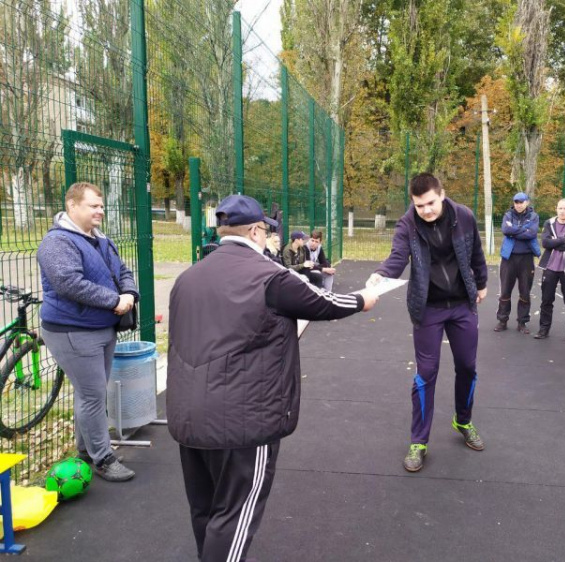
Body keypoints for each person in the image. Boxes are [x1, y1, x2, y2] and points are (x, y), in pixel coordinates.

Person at [167, 194, 378, 561]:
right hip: (244, 419)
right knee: (236, 514)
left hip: (189, 414)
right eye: (266, 231)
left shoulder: (188, 278)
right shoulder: (269, 276)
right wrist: (365, 297)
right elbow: (324, 303)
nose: (269, 239)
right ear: (254, 232)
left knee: (206, 509)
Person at [366, 173, 488, 473]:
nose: (426, 210)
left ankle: (463, 419)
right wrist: (381, 274)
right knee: (426, 373)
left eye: (431, 203)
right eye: (419, 205)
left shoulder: (464, 216)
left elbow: (476, 253)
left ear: (442, 195)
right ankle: (418, 441)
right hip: (428, 308)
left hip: (461, 305)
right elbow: (398, 257)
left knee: (468, 367)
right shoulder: (408, 223)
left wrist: (482, 283)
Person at [37, 182, 138, 482]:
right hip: (72, 330)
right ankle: (103, 458)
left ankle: (86, 450)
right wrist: (114, 300)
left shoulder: (100, 239)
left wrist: (130, 293)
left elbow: (122, 270)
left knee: (90, 393)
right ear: (72, 205)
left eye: (101, 205)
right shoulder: (57, 243)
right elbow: (69, 283)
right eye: (93, 205)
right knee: (93, 395)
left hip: (102, 327)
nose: (100, 210)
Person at [535, 198, 565, 343]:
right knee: (546, 300)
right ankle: (543, 329)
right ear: (556, 209)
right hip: (550, 268)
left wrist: (554, 243)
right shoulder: (549, 223)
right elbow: (545, 243)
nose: (562, 211)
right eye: (560, 208)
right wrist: (564, 240)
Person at [495, 192, 540, 334]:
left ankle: (522, 322)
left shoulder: (533, 216)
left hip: (526, 259)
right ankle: (502, 320)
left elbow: (531, 233)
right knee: (505, 291)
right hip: (509, 259)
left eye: (521, 202)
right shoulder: (508, 215)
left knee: (525, 292)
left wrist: (514, 231)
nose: (518, 205)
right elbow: (505, 229)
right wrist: (522, 229)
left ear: (527, 202)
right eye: (516, 202)